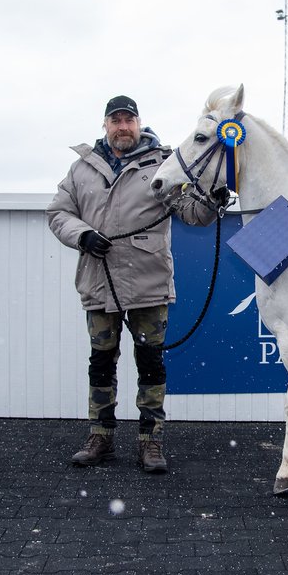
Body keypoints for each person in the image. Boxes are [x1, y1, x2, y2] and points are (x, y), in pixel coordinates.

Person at [47, 95, 223, 473]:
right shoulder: (81, 169)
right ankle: (100, 436)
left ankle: (151, 441)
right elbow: (59, 213)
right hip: (99, 279)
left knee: (151, 364)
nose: (122, 126)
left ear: (139, 122)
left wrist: (212, 202)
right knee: (101, 363)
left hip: (148, 280)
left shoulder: (162, 164)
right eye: (116, 120)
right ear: (105, 125)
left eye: (129, 119)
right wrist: (82, 235)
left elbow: (191, 212)